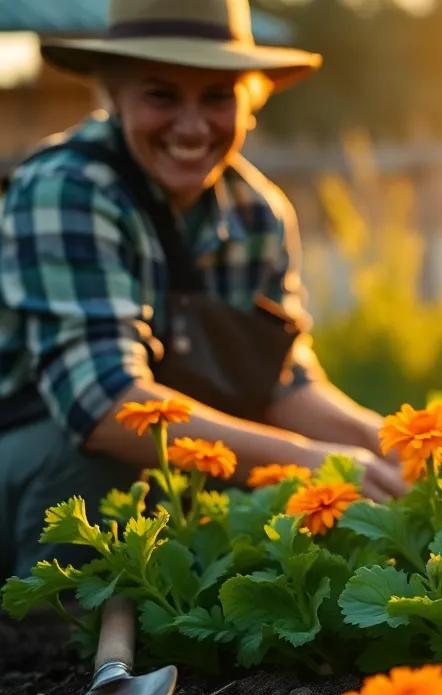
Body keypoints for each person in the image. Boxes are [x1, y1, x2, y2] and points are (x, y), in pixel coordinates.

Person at [0, 0, 409, 580]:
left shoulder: (257, 211)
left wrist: (388, 444)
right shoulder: (65, 188)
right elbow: (105, 407)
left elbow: (282, 381)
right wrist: (306, 462)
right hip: (30, 445)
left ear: (251, 102)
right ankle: (54, 633)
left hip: (156, 452)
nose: (192, 127)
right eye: (161, 95)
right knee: (110, 470)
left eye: (217, 96)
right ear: (113, 96)